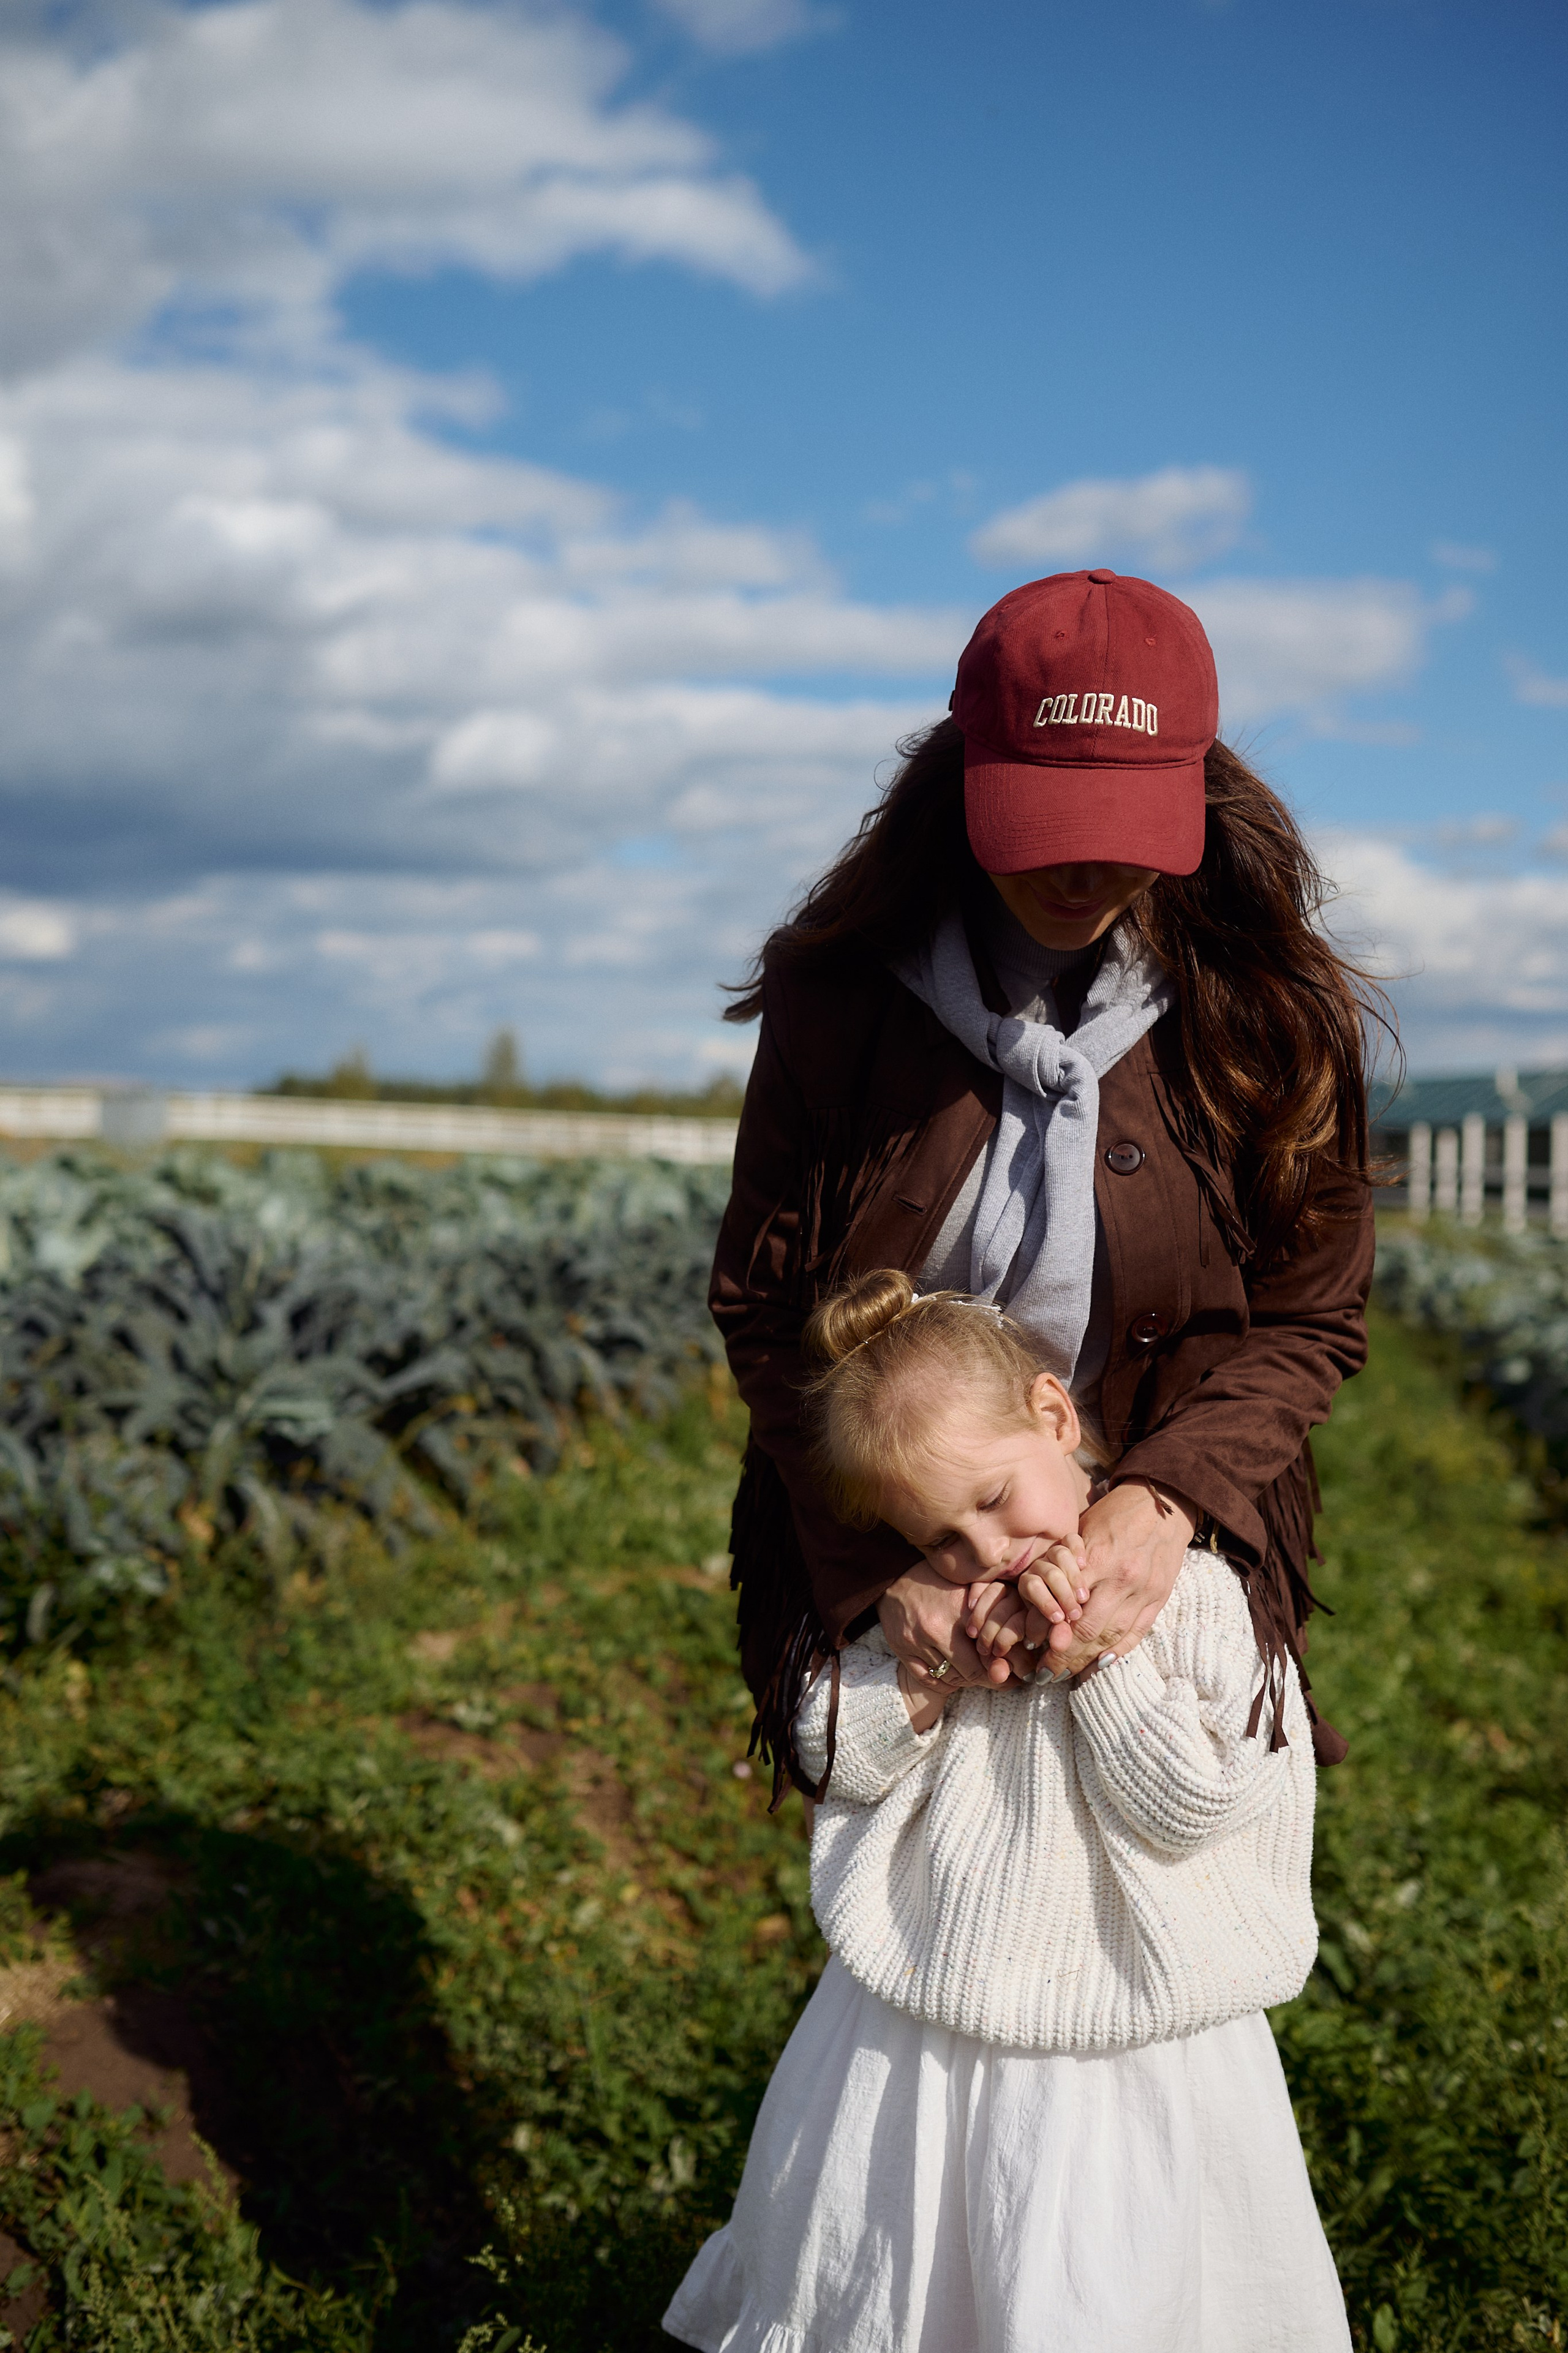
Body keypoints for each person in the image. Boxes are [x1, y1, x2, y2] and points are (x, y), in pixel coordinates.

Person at [707, 567, 1384, 1798]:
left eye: (1117, 832)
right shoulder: (837, 1002)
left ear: (1192, 790)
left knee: (1175, 1902)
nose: (1075, 872)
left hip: (1173, 1562)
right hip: (908, 1555)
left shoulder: (1268, 1019)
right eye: (1040, 824)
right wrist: (887, 1571)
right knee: (919, 1934)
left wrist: (1166, 1503)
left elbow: (1311, 1312)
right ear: (966, 779)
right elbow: (760, 1306)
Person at [663, 1273, 1350, 2353]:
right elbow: (829, 1751)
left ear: (1056, 1417)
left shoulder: (1187, 1601)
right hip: (935, 2020)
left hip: (1138, 2029)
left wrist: (1095, 1661)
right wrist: (932, 1683)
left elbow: (1192, 1805)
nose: (986, 1554)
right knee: (903, 2261)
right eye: (939, 1540)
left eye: (992, 1501)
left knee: (1114, 2277)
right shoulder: (934, 1633)